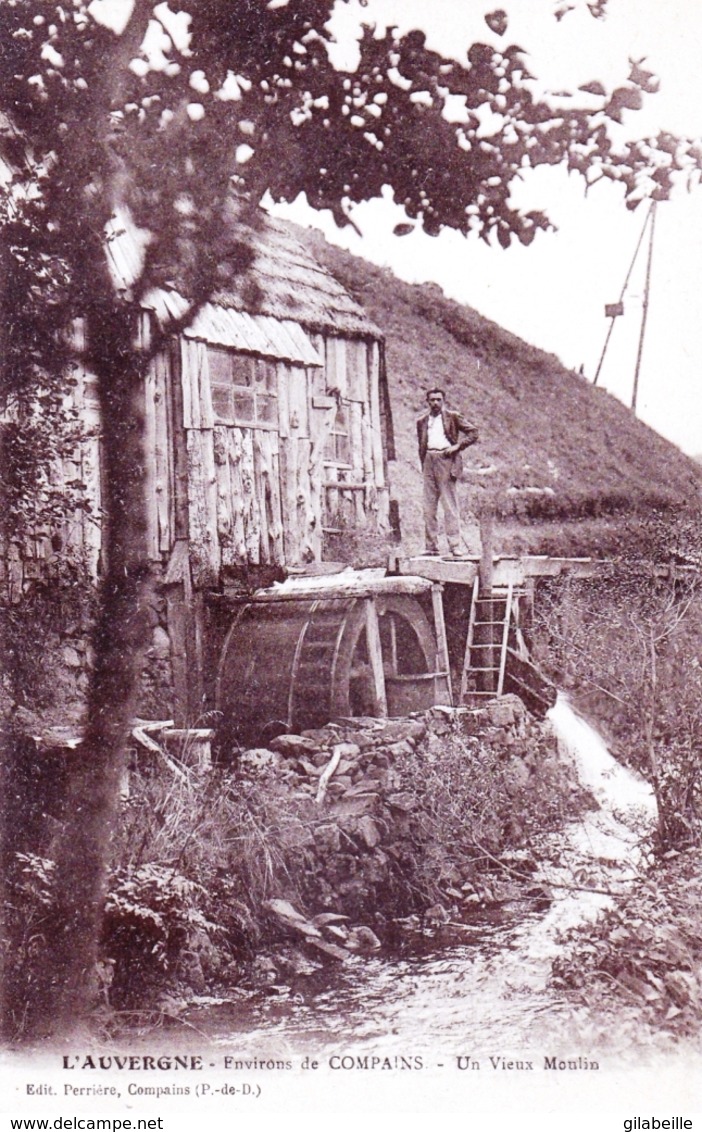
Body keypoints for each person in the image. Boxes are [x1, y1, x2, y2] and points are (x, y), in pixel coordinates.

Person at [416, 388, 479, 557]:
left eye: (438, 399)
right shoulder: (422, 421)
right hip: (429, 460)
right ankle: (431, 546)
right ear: (427, 402)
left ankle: (454, 545)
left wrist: (457, 447)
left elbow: (473, 432)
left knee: (449, 505)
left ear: (443, 401)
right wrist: (424, 463)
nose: (435, 403)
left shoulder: (453, 417)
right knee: (428, 507)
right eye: (432, 400)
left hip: (446, 458)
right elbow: (421, 444)